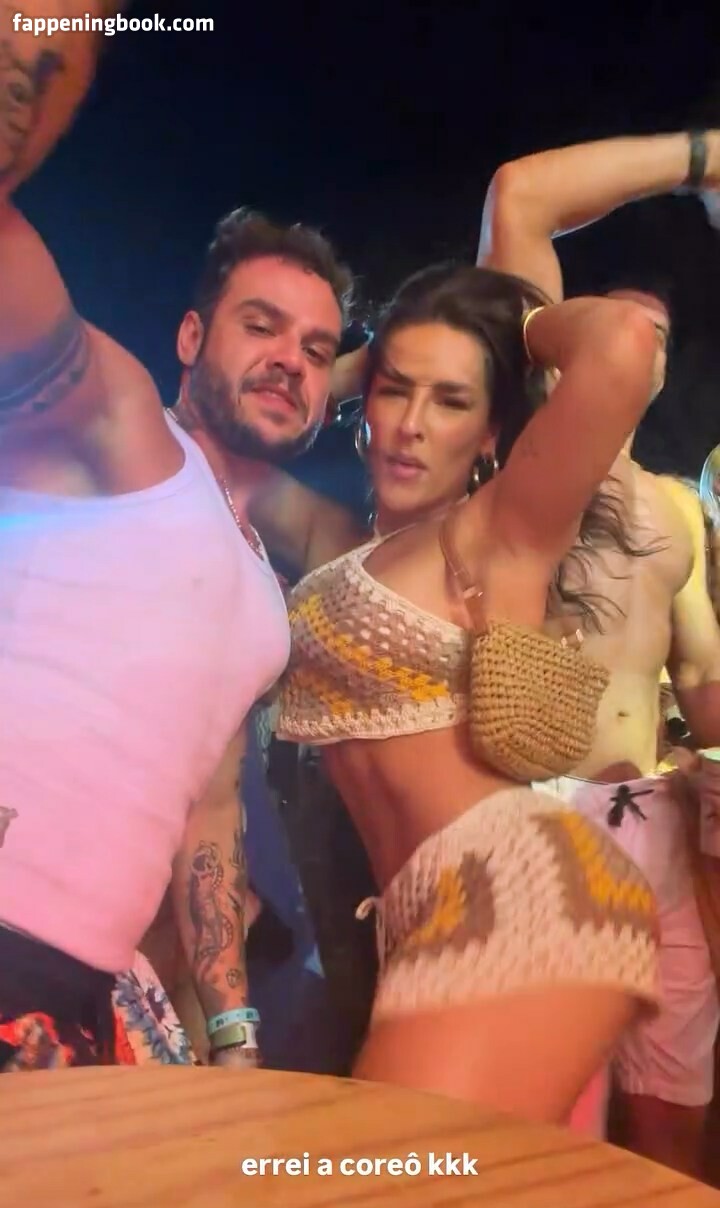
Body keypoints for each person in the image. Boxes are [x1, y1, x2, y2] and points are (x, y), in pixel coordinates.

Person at [0, 3, 350, 1070]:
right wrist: (41, 47)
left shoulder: (259, 591)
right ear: (192, 336)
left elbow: (208, 810)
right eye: (261, 326)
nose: (291, 359)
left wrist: (233, 1033)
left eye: (319, 349)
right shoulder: (124, 429)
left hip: (70, 1000)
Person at [270, 258, 662, 1130]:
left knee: (380, 1185)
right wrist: (349, 367)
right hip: (420, 911)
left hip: (517, 883)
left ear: (490, 435)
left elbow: (623, 342)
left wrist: (511, 324)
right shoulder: (353, 546)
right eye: (394, 392)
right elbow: (212, 440)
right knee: (440, 1198)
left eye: (450, 402)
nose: (411, 426)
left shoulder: (497, 529)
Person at [478, 128, 720, 1173]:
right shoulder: (533, 458)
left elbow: (701, 680)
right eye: (612, 323)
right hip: (538, 810)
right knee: (544, 1128)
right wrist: (704, 156)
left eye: (652, 335)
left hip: (657, 821)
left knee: (673, 1124)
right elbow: (520, 197)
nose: (631, 343)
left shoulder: (678, 509)